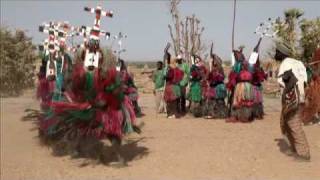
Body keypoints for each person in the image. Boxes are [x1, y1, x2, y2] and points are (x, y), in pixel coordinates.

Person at [275, 41, 310, 161]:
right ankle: (296, 149)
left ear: (281, 53)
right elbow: (305, 79)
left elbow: (282, 82)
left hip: (292, 98)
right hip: (301, 96)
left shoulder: (285, 64)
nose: (275, 54)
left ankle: (304, 154)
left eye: (277, 52)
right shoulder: (298, 63)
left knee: (294, 125)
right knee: (287, 124)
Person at [227, 49, 255, 123]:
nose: (236, 57)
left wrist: (232, 79)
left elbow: (235, 74)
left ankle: (240, 116)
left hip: (241, 86)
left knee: (240, 100)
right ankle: (242, 116)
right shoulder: (243, 64)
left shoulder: (240, 64)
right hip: (244, 85)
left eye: (236, 55)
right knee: (241, 101)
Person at [163, 45, 184, 119]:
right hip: (177, 87)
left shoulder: (171, 69)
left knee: (170, 101)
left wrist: (165, 77)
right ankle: (175, 113)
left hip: (170, 87)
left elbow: (169, 76)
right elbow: (181, 77)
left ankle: (171, 114)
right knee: (175, 101)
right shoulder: (179, 70)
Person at [204, 54, 228, 119]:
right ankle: (211, 114)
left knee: (220, 101)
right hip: (212, 87)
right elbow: (207, 77)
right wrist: (210, 71)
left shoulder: (220, 68)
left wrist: (217, 75)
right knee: (211, 101)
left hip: (219, 87)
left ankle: (221, 114)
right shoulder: (210, 69)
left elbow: (222, 77)